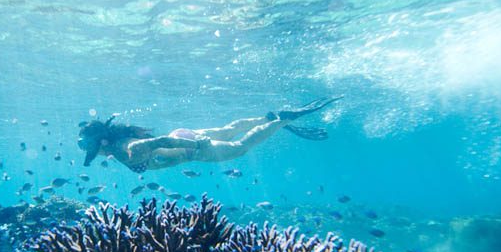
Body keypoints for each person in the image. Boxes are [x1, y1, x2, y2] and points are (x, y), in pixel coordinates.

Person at [77, 97, 340, 173]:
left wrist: (194, 143)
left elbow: (157, 142)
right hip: (184, 136)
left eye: (85, 145)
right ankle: (268, 118)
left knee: (239, 147)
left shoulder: (125, 149)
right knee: (228, 128)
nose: (85, 149)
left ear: (99, 142)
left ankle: (283, 120)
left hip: (191, 146)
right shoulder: (115, 146)